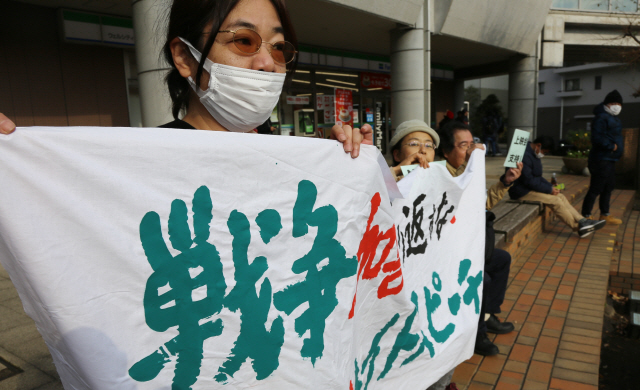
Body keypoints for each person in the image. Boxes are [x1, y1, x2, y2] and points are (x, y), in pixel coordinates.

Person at [0, 0, 371, 157]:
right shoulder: (144, 159)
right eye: (244, 41)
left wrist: (349, 164)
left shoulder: (287, 151)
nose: (266, 63)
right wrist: (16, 157)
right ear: (185, 58)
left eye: (278, 48)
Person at [439, 121, 521, 356]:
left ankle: (487, 314)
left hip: (472, 246)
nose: (471, 151)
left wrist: (506, 181)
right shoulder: (443, 175)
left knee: (501, 259)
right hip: (451, 252)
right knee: (481, 277)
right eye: (464, 146)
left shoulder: (469, 171)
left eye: (473, 144)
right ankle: (478, 334)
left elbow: (482, 203)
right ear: (446, 151)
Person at [509, 135, 605, 238]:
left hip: (529, 188)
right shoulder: (523, 155)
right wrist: (549, 189)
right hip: (520, 191)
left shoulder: (532, 153)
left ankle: (583, 221)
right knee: (556, 201)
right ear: (538, 145)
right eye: (544, 152)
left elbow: (537, 177)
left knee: (561, 197)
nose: (544, 155)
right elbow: (528, 180)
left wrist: (550, 187)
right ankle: (577, 227)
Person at [581, 90, 624, 225]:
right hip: (601, 159)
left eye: (618, 103)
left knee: (608, 187)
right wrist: (611, 146)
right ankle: (586, 215)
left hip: (610, 159)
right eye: (612, 103)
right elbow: (597, 138)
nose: (616, 106)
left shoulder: (613, 118)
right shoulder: (601, 118)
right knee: (596, 187)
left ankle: (605, 214)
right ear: (606, 104)